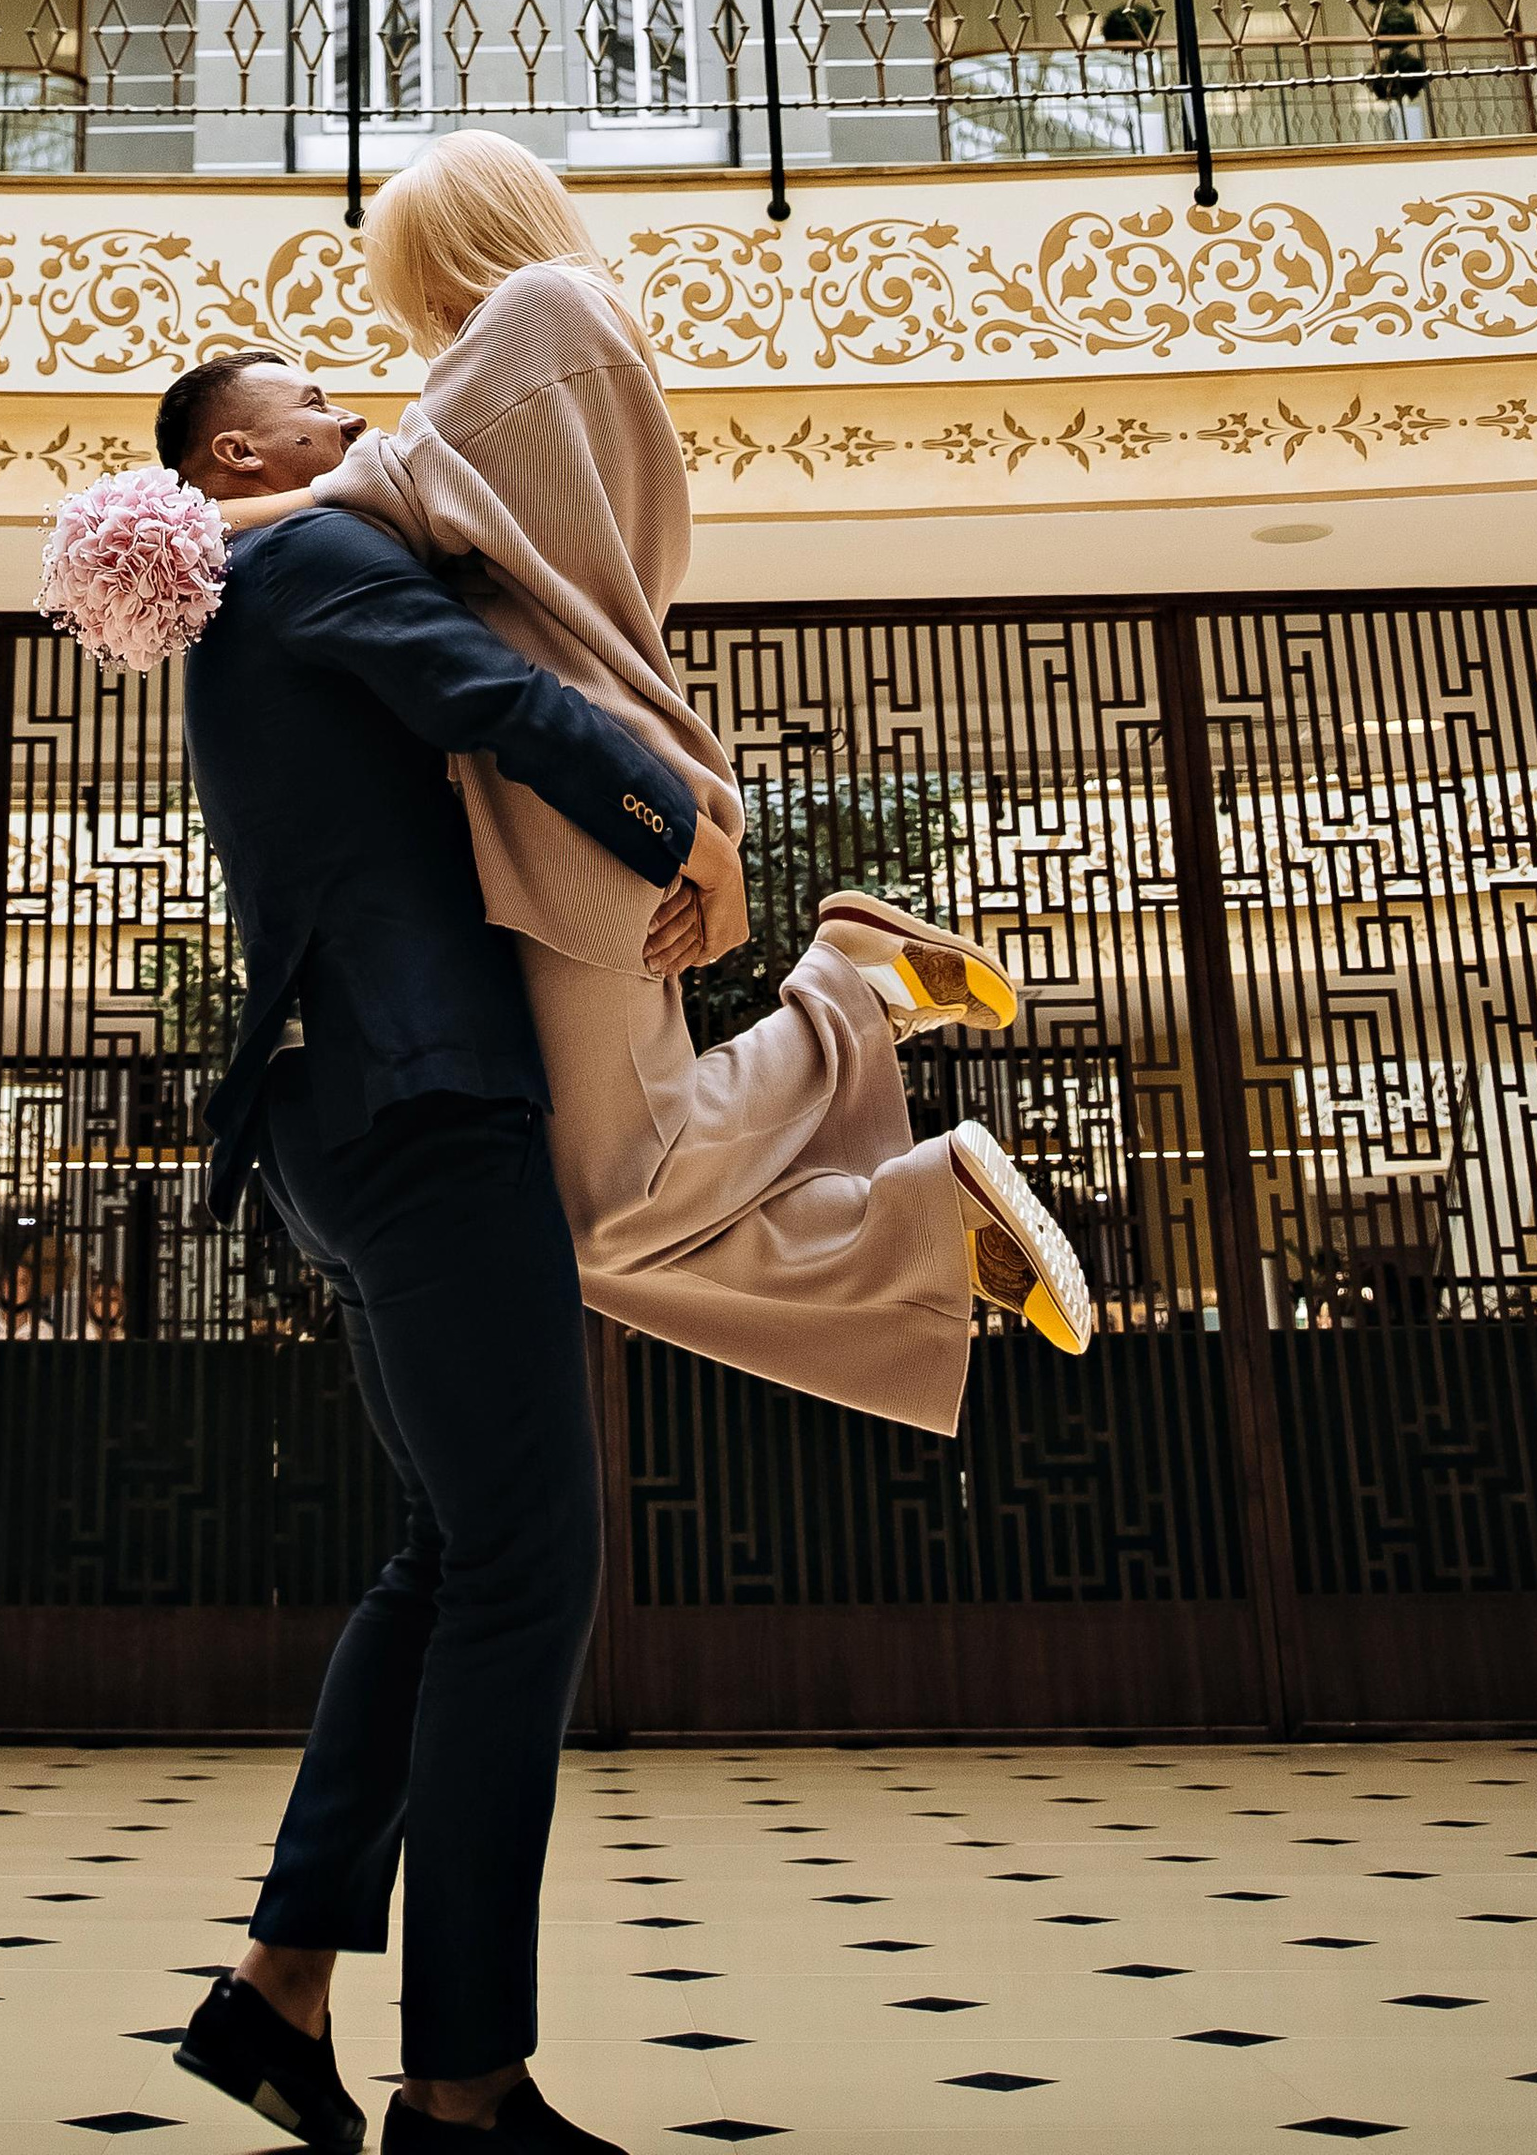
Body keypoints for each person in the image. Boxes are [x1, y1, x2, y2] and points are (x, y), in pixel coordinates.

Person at [229, 130, 1089, 1430]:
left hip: (578, 794)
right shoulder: (566, 341)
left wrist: (168, 526)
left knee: (605, 1208)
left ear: (468, 245)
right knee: (598, 1216)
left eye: (429, 288)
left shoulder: (539, 314)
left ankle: (870, 1045)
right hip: (576, 789)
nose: (432, 330)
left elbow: (391, 487)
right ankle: (889, 1104)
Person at [160, 346, 734, 2155]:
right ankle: (468, 2088)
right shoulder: (306, 559)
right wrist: (684, 833)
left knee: (448, 1560)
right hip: (422, 1104)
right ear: (242, 449)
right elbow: (488, 697)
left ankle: (278, 1992)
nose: (354, 415)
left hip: (347, 1111)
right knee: (526, 1576)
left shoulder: (251, 582)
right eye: (314, 399)